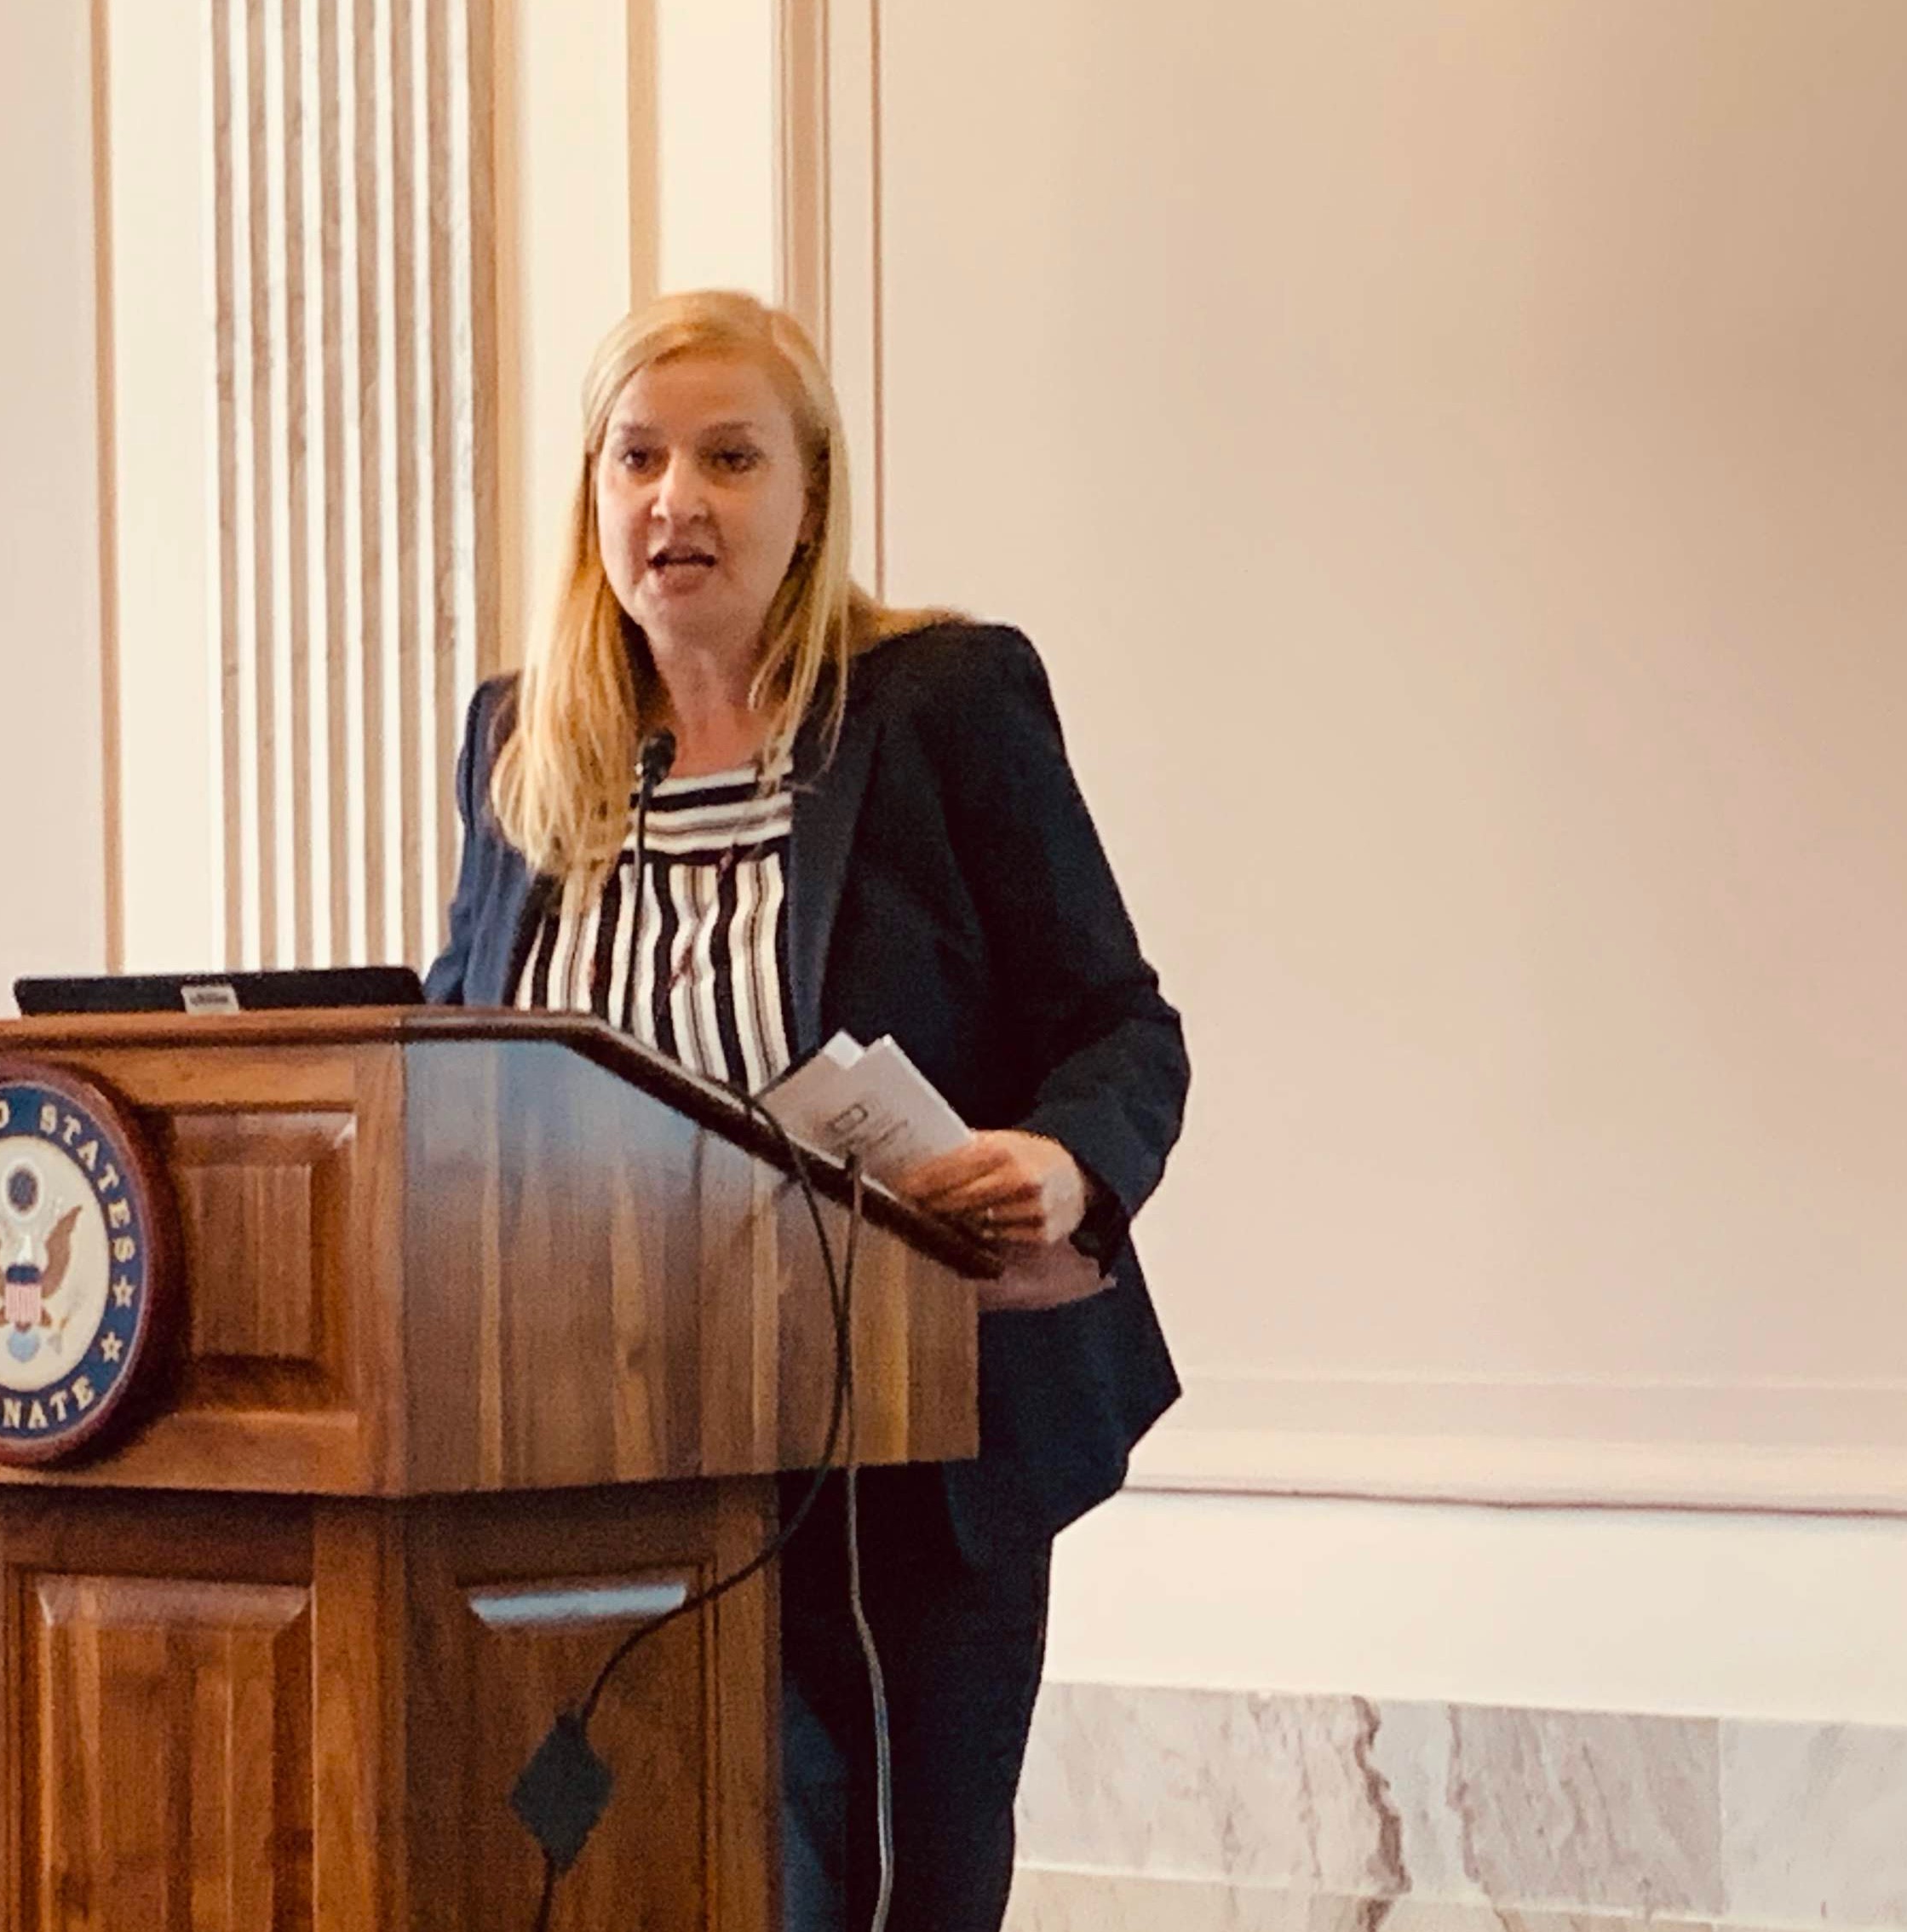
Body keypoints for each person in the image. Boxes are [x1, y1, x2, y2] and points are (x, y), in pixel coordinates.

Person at [424, 287, 1189, 1932]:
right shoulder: (524, 743)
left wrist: (1062, 1164)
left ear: (809, 494)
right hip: (596, 1437)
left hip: (902, 1423)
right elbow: (453, 1059)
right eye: (637, 457)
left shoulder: (939, 707)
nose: (673, 501)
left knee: (887, 1889)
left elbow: (1124, 1029)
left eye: (727, 457)